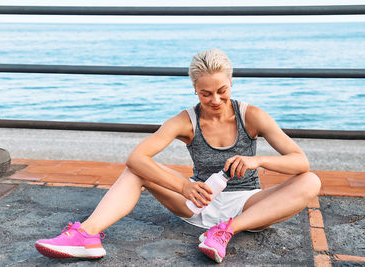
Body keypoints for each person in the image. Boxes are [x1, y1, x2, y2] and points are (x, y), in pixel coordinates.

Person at [35, 48, 321, 263]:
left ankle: (226, 231)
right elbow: (136, 157)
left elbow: (300, 161)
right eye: (205, 94)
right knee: (137, 170)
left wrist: (256, 161)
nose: (215, 101)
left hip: (249, 205)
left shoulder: (253, 116)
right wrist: (184, 186)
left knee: (311, 181)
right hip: (199, 202)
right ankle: (87, 235)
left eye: (222, 91)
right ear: (195, 89)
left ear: (231, 82)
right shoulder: (185, 121)